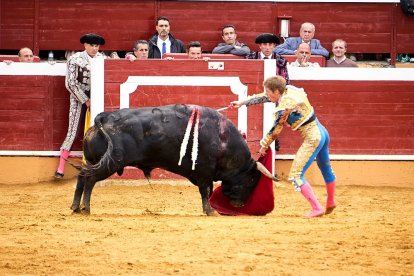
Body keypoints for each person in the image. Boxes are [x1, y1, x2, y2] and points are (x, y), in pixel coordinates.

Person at [229, 75, 336, 218]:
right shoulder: (288, 90)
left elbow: (276, 130)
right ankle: (330, 201)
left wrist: (263, 145)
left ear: (276, 92)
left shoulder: (284, 107)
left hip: (313, 137)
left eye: (268, 91)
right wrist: (242, 102)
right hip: (322, 131)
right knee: (325, 167)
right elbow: (264, 97)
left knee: (296, 176)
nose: (267, 94)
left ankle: (317, 208)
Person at [54, 33, 105, 179]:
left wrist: (129, 57)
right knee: (72, 132)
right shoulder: (75, 59)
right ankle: (60, 168)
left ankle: (93, 166)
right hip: (77, 98)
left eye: (97, 46)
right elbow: (70, 83)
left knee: (98, 132)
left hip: (98, 98)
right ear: (85, 45)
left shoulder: (102, 58)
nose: (95, 49)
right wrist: (85, 100)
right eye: (92, 46)